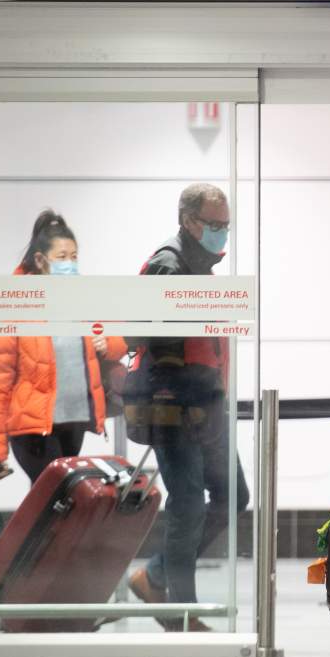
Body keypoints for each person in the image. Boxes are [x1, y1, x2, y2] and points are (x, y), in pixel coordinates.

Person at [127, 183, 250, 632]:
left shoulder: (199, 269)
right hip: (173, 406)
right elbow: (142, 332)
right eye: (214, 225)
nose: (222, 234)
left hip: (204, 404)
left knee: (233, 495)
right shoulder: (168, 264)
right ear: (187, 220)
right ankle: (181, 611)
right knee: (187, 505)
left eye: (226, 225)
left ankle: (155, 575)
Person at [0, 210, 128, 483]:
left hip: (74, 420)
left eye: (74, 257)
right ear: (40, 260)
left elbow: (121, 340)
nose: (70, 264)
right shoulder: (14, 305)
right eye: (62, 258)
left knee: (65, 507)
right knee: (57, 497)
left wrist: (106, 343)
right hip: (33, 429)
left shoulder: (83, 297)